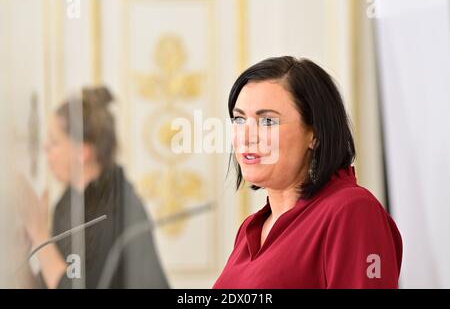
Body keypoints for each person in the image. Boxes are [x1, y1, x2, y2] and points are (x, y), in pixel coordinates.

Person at [213, 56, 402, 289]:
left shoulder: (352, 210)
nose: (246, 136)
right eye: (239, 119)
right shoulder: (249, 229)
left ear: (314, 134)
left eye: (268, 121)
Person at [19, 87, 169, 289]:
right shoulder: (67, 204)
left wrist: (39, 235)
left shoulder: (117, 208)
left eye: (54, 142)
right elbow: (51, 282)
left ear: (82, 152)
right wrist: (19, 256)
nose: (45, 148)